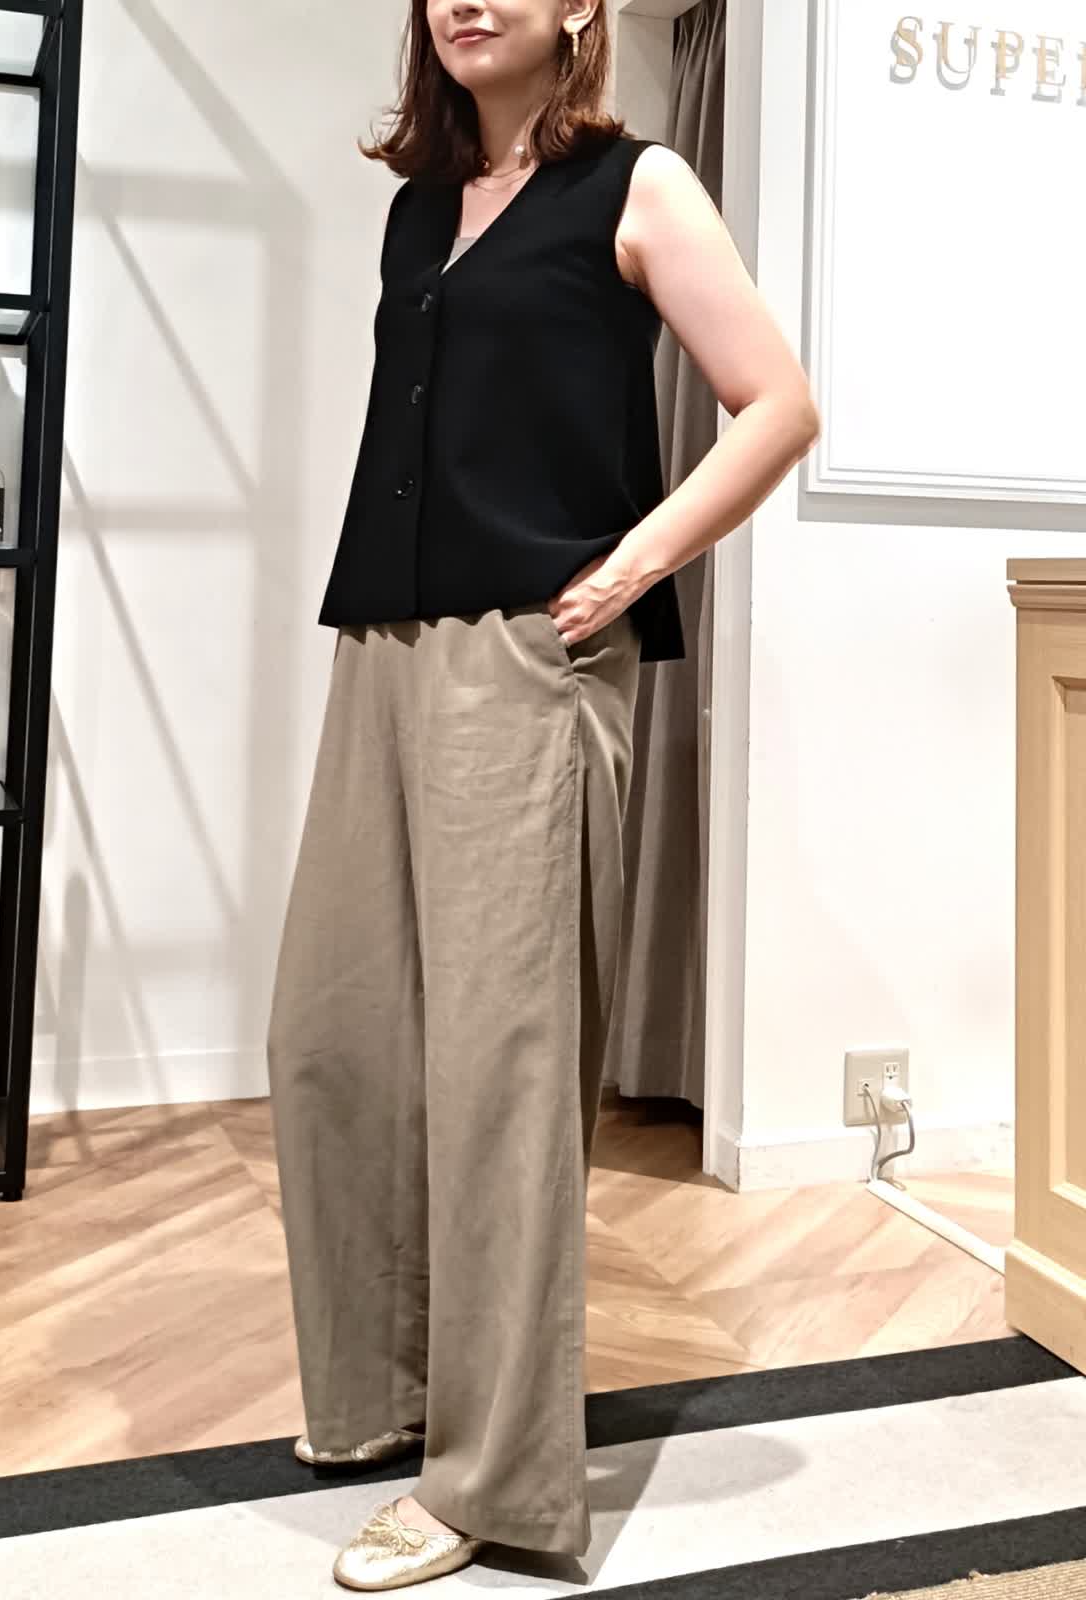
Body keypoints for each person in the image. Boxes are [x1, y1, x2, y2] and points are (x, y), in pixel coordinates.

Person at [266, 0, 821, 1589]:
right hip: (383, 646)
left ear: (583, 4)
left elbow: (780, 404)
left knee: (505, 1079)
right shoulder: (417, 212)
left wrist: (634, 565)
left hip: (528, 660)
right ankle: (381, 1398)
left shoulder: (637, 186)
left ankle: (492, 1481)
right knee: (334, 1038)